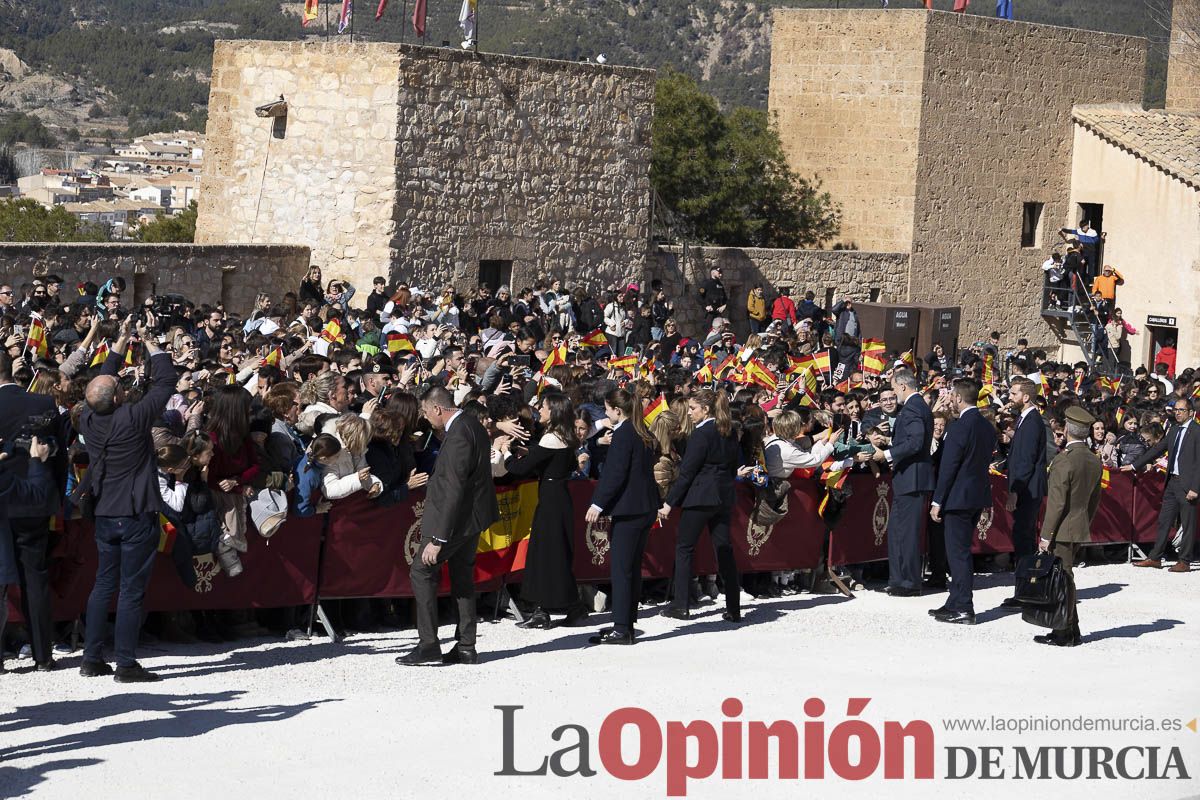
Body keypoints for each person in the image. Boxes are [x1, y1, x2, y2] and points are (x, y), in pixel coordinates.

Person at [77, 317, 176, 682]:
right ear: (118, 397)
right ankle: (125, 663)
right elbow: (166, 381)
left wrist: (120, 341)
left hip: (105, 511)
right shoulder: (133, 417)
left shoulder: (88, 418)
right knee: (131, 590)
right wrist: (148, 339)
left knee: (103, 584)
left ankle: (91, 658)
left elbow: (102, 382)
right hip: (135, 512)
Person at [398, 386, 499, 666]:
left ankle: (429, 644)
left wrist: (439, 538)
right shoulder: (471, 424)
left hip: (454, 521)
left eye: (425, 411)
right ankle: (466, 645)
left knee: (421, 571)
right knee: (462, 577)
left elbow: (454, 487)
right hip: (470, 519)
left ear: (437, 409)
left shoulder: (458, 435)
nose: (425, 417)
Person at [500, 391, 589, 629]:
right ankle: (571, 607)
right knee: (555, 553)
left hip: (550, 501)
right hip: (558, 497)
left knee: (545, 554)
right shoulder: (565, 436)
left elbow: (520, 469)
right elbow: (551, 459)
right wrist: (530, 453)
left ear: (554, 412)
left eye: (544, 407)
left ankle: (545, 610)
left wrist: (506, 452)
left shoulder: (550, 438)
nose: (540, 410)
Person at [659, 388, 743, 622]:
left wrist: (669, 503)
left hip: (700, 497)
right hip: (723, 497)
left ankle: (681, 605)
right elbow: (733, 466)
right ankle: (734, 608)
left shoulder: (701, 434)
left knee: (684, 548)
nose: (689, 413)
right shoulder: (729, 431)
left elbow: (687, 472)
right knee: (724, 549)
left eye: (693, 409)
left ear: (706, 409)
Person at [585, 388, 662, 644]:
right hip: (644, 506)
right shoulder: (642, 431)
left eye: (607, 409)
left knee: (621, 569)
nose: (606, 414)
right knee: (631, 568)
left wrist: (598, 504)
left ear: (618, 410)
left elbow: (615, 473)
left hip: (629, 509)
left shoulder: (624, 434)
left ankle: (621, 628)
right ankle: (625, 622)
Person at [0, 351, 60, 671]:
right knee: (35, 579)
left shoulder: (43, 403)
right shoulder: (42, 404)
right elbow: (57, 456)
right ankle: (43, 656)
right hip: (32, 501)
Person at [1033, 406, 1103, 647]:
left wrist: (1046, 535)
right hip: (1078, 525)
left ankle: (1064, 632)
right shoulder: (1093, 460)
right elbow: (1094, 501)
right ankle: (1071, 628)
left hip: (1062, 529)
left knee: (1063, 579)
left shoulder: (1064, 460)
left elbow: (1056, 504)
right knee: (1065, 577)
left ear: (1067, 430)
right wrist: (1084, 522)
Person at [928, 378, 996, 625]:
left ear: (958, 397)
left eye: (952, 396)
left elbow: (949, 466)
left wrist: (938, 500)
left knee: (958, 554)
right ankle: (954, 601)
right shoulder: (987, 426)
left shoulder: (958, 427)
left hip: (958, 497)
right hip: (977, 495)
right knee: (960, 551)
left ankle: (964, 606)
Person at [872, 369, 934, 595]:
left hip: (912, 479)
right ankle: (900, 580)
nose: (893, 393)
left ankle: (908, 582)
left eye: (894, 388)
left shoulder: (912, 408)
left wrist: (887, 454)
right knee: (899, 531)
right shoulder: (918, 406)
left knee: (906, 533)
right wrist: (891, 441)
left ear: (903, 386)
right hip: (910, 478)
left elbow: (916, 442)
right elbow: (910, 439)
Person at [0, 433, 53, 674]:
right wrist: (36, 461)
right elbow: (36, 496)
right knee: (32, 583)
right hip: (26, 513)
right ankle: (42, 656)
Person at [1127, 397, 1200, 572]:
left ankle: (1184, 561)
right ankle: (1155, 557)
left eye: (1181, 410)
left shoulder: (1197, 431)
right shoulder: (1173, 429)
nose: (1178, 413)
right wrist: (1134, 465)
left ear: (1191, 412)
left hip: (1188, 485)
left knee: (1188, 525)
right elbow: (1157, 449)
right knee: (1164, 521)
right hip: (1172, 482)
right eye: (1176, 410)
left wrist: (1195, 488)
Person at [999, 377, 1048, 609]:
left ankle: (1025, 592)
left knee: (1024, 541)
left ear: (1026, 396)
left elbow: (1026, 461)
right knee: (1022, 539)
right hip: (1026, 488)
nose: (1010, 397)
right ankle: (1024, 590)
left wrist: (1015, 491)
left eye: (1014, 393)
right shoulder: (1025, 419)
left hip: (1027, 490)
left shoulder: (1031, 422)